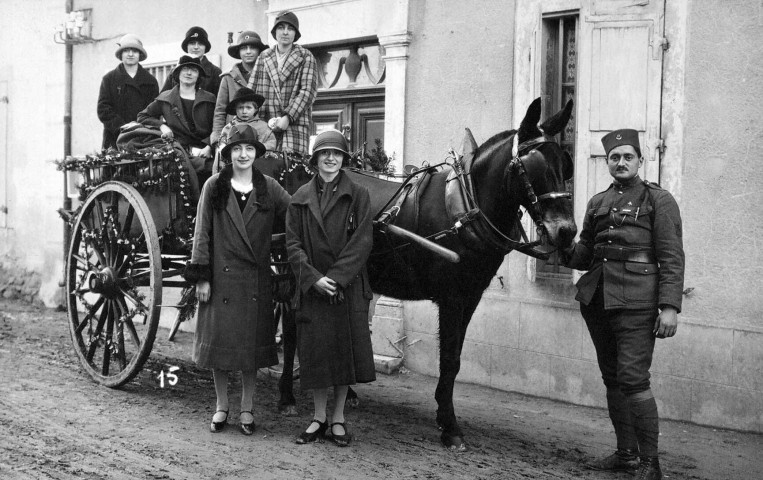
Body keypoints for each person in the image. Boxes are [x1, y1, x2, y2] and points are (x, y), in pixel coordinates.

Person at [561, 129, 685, 480]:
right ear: (608, 162)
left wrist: (670, 306)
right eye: (614, 157)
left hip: (638, 302)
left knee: (633, 378)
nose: (620, 163)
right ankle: (626, 455)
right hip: (598, 300)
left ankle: (651, 463)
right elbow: (584, 254)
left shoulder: (658, 200)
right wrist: (555, 246)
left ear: (640, 161)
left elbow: (672, 257)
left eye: (627, 156)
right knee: (613, 378)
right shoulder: (597, 203)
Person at [184, 123, 291, 436]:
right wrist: (201, 277)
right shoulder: (214, 186)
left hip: (254, 282)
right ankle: (221, 406)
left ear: (256, 153)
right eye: (237, 149)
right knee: (219, 348)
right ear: (228, 153)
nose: (243, 155)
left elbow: (296, 212)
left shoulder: (268, 186)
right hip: (221, 279)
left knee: (249, 351)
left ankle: (247, 407)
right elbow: (201, 232)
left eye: (249, 149)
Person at [285, 130, 375, 447]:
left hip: (345, 288)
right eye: (325, 154)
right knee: (317, 355)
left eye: (337, 154)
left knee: (343, 355)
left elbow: (362, 241)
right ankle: (319, 417)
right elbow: (293, 247)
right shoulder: (298, 199)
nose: (331, 159)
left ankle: (338, 419)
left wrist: (335, 278)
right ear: (315, 160)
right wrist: (313, 279)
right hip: (313, 289)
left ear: (343, 159)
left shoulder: (359, 195)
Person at [247, 11, 317, 156]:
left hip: (294, 125)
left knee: (292, 169)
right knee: (265, 169)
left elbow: (307, 92)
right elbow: (250, 91)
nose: (285, 32)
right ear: (275, 31)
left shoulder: (305, 56)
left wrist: (288, 117)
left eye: (290, 29)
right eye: (281, 27)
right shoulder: (264, 56)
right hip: (265, 125)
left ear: (295, 33)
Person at [137, 55, 216, 180]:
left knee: (215, 171)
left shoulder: (210, 99)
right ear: (178, 73)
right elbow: (142, 116)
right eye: (185, 69)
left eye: (194, 70)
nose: (189, 73)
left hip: (204, 153)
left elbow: (217, 126)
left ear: (198, 76)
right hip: (178, 153)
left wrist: (209, 147)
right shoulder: (166, 98)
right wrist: (162, 126)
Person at [96, 34, 159, 150]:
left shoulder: (150, 81)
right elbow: (103, 109)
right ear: (121, 54)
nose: (130, 54)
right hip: (114, 138)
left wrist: (138, 127)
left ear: (140, 54)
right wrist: (123, 127)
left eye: (134, 51)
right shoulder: (109, 79)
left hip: (142, 139)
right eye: (126, 50)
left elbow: (154, 111)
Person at [211, 31, 269, 147]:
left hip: (260, 136)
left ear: (259, 51)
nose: (248, 51)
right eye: (244, 48)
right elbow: (220, 111)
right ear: (239, 52)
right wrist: (217, 139)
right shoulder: (228, 78)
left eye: (252, 47)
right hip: (234, 136)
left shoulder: (267, 75)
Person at [212, 87, 276, 173]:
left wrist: (259, 148)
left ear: (256, 109)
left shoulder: (263, 127)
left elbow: (271, 143)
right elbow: (221, 151)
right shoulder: (228, 128)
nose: (244, 111)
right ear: (235, 109)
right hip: (233, 167)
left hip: (258, 167)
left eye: (248, 108)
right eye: (240, 108)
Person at [161, 26, 222, 96]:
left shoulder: (215, 72)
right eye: (192, 43)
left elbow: (219, 102)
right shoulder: (174, 71)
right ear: (186, 46)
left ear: (205, 47)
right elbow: (163, 98)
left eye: (200, 44)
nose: (196, 47)